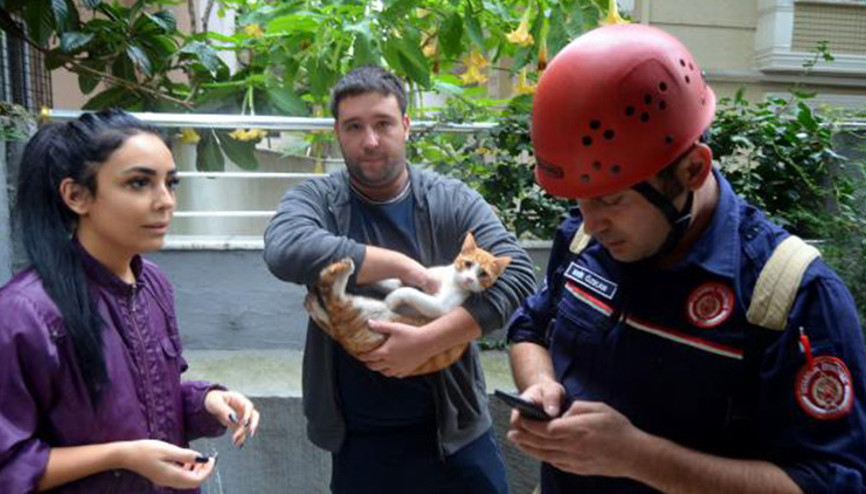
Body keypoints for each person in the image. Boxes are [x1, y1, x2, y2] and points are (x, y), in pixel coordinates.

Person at [505, 23, 866, 494]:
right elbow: (530, 327)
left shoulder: (791, 297)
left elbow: (829, 483)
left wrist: (639, 457)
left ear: (692, 169)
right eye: (579, 200)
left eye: (612, 200)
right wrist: (540, 385)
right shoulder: (583, 241)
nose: (590, 224)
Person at [263, 65, 537, 493]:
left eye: (383, 124)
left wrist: (430, 341)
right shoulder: (319, 201)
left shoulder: (449, 201)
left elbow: (518, 272)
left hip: (456, 433)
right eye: (354, 126)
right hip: (361, 442)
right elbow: (284, 249)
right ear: (337, 131)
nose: (370, 140)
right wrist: (401, 267)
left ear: (406, 126)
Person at [0, 109, 261, 493]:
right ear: (76, 195)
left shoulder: (152, 283)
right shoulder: (25, 313)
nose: (165, 201)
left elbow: (154, 399)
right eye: (139, 183)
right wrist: (121, 456)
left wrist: (207, 400)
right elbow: (10, 463)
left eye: (171, 183)